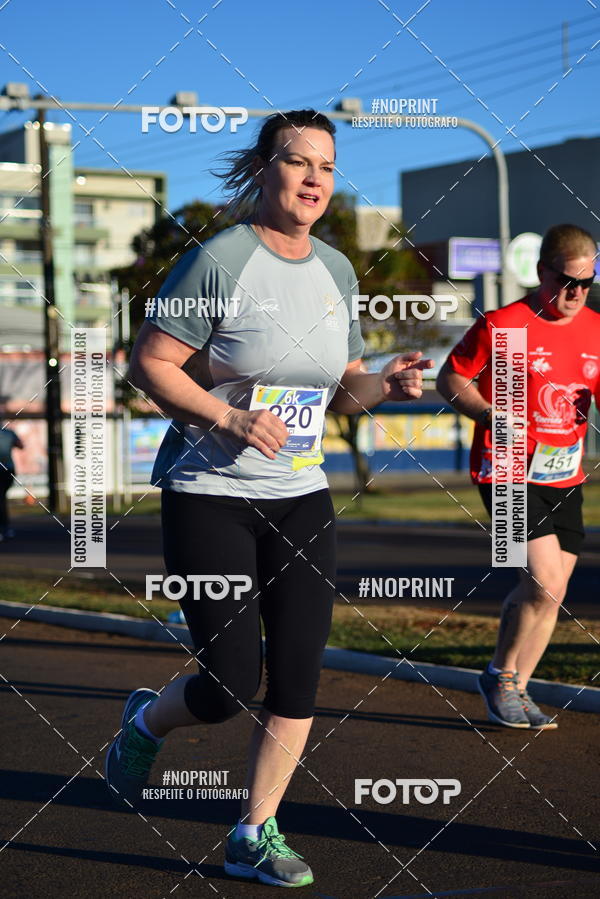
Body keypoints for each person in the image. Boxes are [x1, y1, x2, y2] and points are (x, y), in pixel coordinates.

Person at [104, 109, 433, 887]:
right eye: (298, 161)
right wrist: (229, 418)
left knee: (295, 676)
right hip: (209, 493)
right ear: (263, 169)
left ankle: (253, 832)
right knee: (228, 684)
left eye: (327, 165)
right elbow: (148, 363)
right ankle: (146, 722)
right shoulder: (219, 259)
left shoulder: (338, 271)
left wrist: (384, 386)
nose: (316, 179)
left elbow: (341, 392)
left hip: (301, 496)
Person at [437, 223, 600, 730]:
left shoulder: (596, 328)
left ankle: (515, 685)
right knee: (543, 581)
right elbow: (450, 377)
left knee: (554, 589)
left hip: (564, 473)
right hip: (504, 467)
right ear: (541, 272)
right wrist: (490, 414)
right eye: (566, 281)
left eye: (586, 282)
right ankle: (499, 676)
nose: (575, 293)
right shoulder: (504, 324)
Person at [0, 423, 24, 541]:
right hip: (8, 470)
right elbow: (20, 445)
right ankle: (5, 528)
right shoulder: (9, 433)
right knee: (2, 498)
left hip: (4, 470)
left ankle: (3, 528)